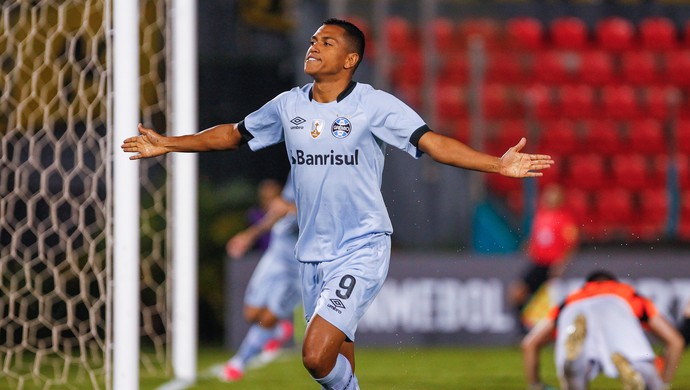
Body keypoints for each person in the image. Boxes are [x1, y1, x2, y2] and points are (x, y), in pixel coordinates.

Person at [122, 18, 553, 389]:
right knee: (333, 361)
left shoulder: (373, 104)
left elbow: (432, 142)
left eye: (326, 42)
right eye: (312, 40)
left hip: (361, 245)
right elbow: (233, 134)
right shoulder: (288, 105)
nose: (313, 46)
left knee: (314, 356)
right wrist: (170, 144)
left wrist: (496, 164)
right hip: (311, 253)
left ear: (350, 61)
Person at [521, 270, 685, 390]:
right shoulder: (627, 292)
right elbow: (676, 342)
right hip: (615, 308)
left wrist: (536, 385)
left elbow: (529, 344)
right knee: (646, 375)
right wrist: (664, 383)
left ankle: (573, 363)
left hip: (575, 313)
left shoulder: (572, 298)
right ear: (615, 282)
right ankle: (638, 376)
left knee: (575, 380)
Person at [222, 175, 300, 382]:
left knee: (268, 318)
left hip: (300, 270)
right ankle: (277, 331)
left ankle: (239, 361)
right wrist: (250, 235)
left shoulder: (335, 175)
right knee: (251, 313)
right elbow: (277, 211)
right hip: (275, 258)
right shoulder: (299, 171)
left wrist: (292, 210)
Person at [509, 183, 579, 332]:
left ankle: (549, 333)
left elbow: (570, 244)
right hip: (537, 262)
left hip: (550, 264)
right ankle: (524, 331)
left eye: (553, 194)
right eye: (548, 194)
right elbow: (538, 238)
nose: (549, 197)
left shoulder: (565, 219)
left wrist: (561, 264)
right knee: (516, 294)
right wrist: (530, 246)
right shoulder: (540, 215)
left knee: (551, 301)